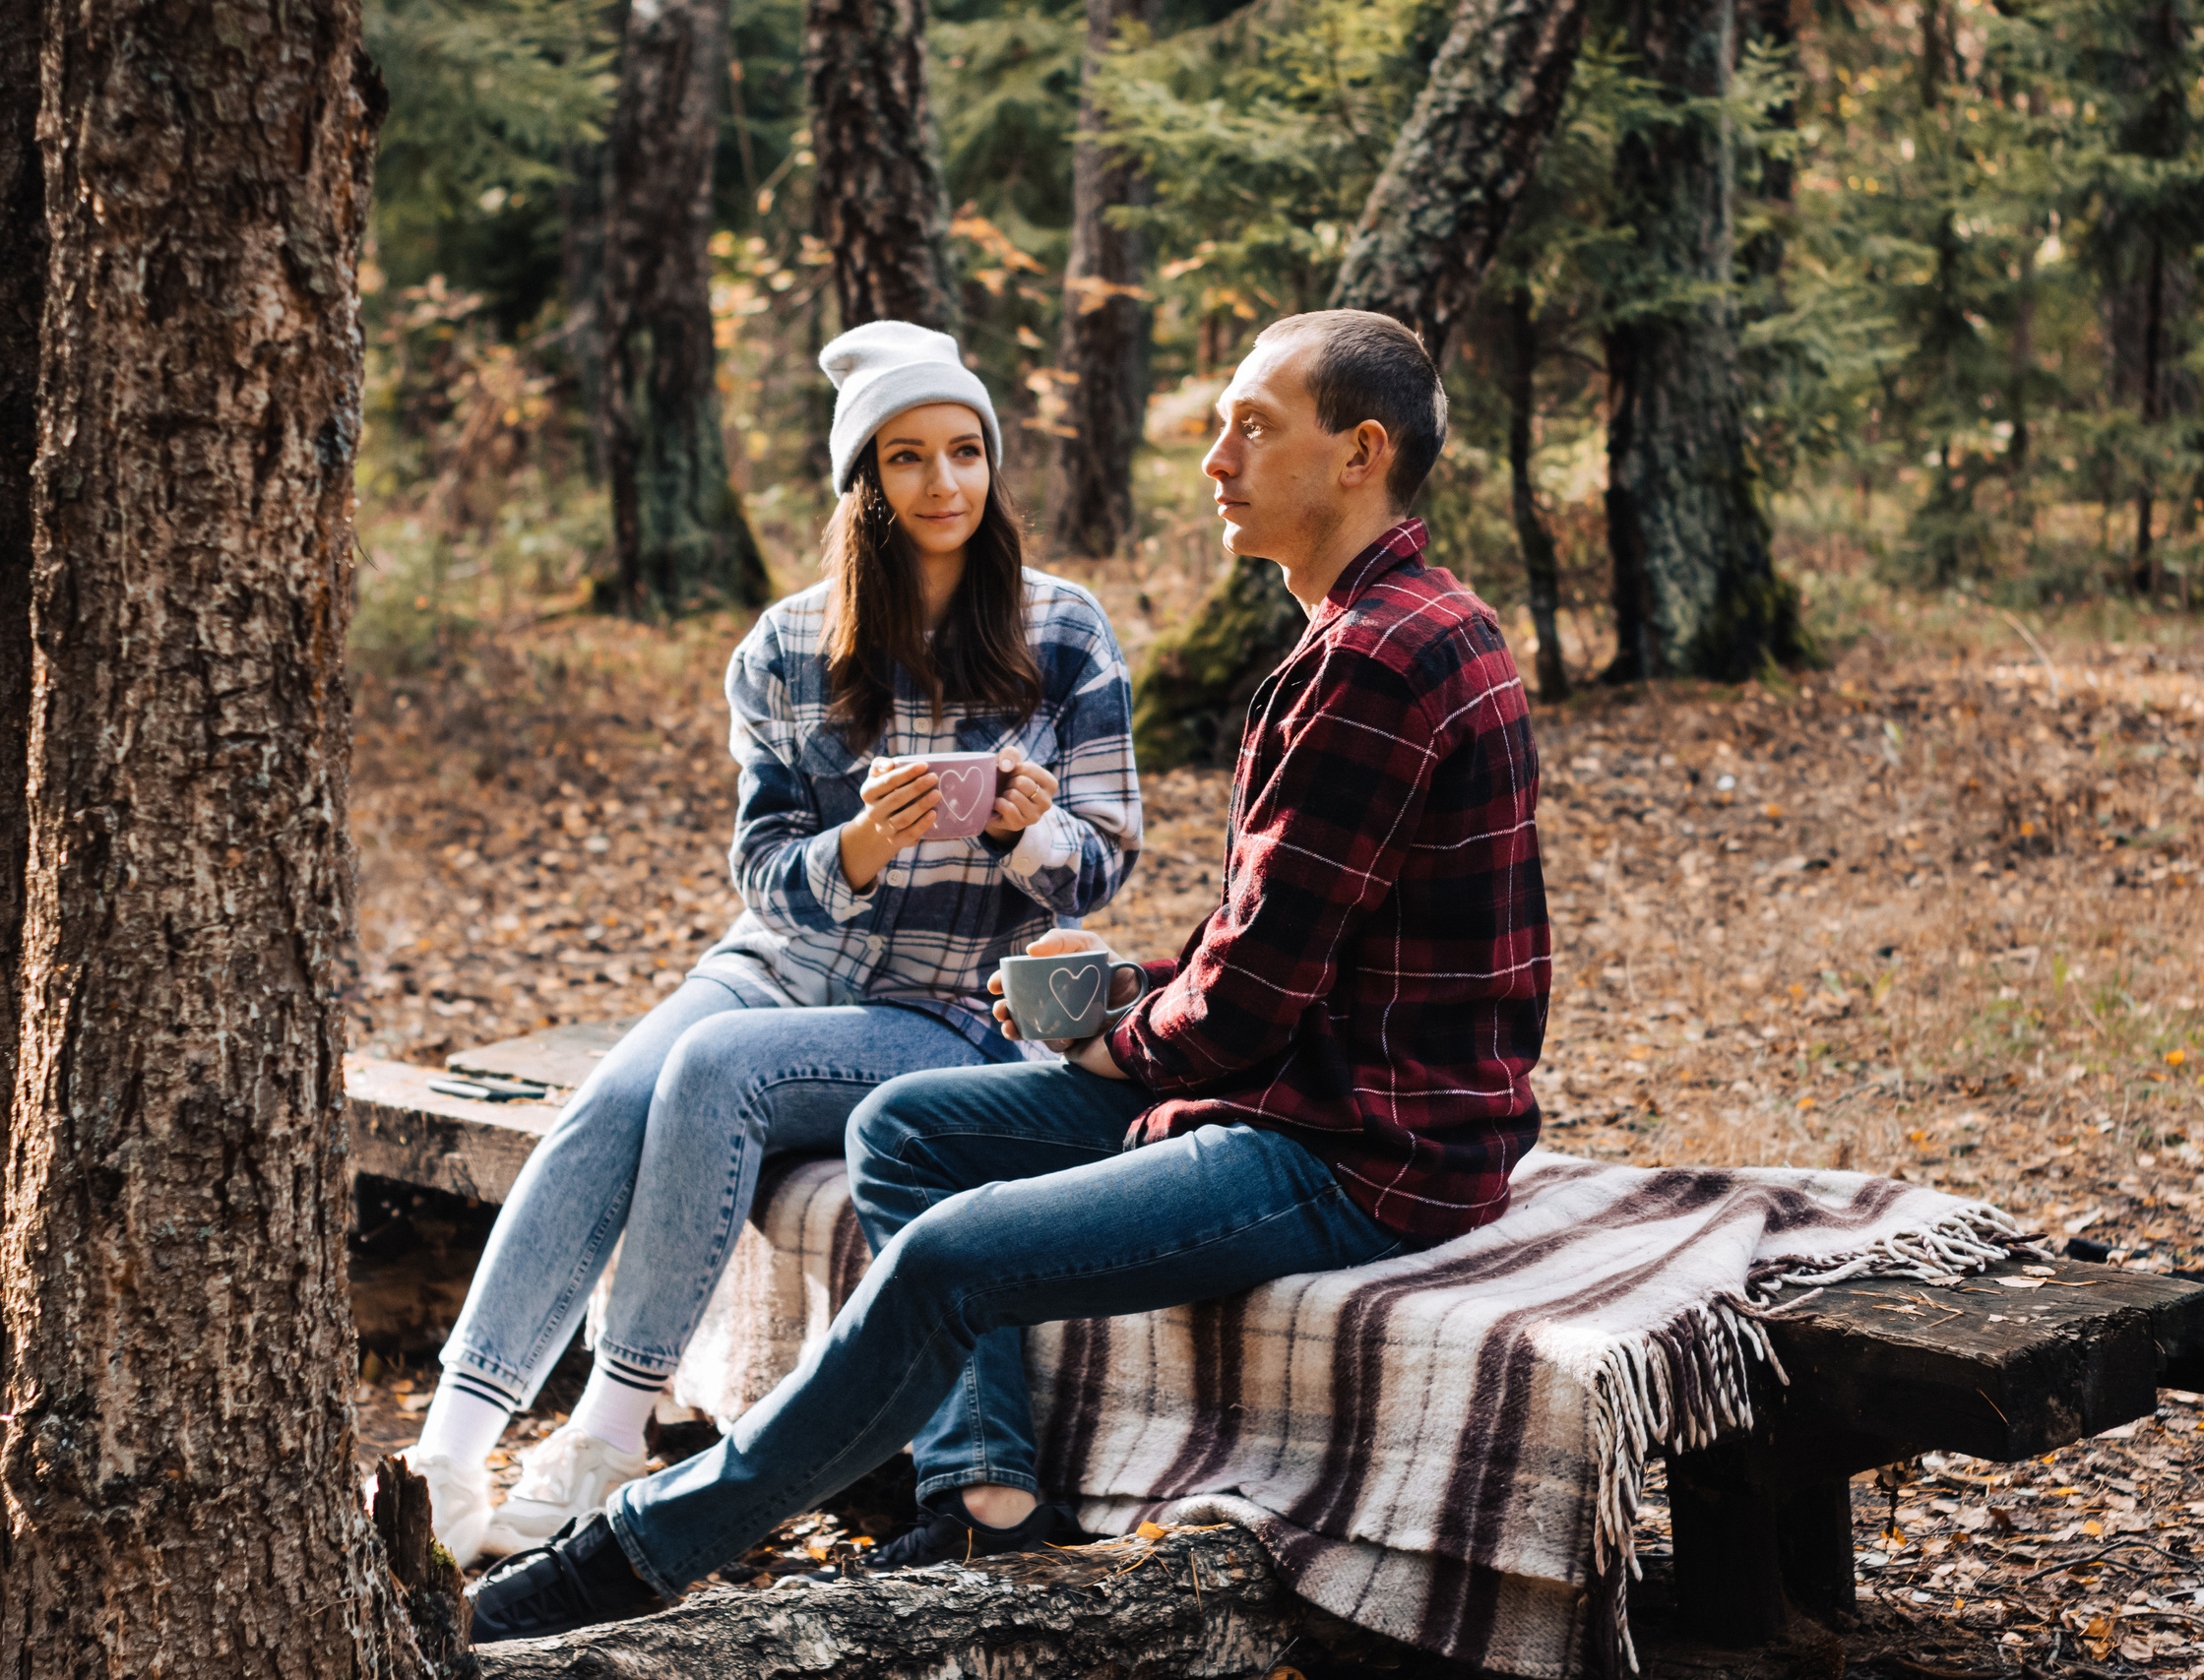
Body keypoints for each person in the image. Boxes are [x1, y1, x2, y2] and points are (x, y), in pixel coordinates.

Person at [464, 309, 1549, 1641]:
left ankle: (629, 1551)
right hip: (1307, 1075)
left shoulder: (1375, 659)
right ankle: (983, 1494)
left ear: (1361, 453)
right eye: (1218, 423)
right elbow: (1279, 945)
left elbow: (1254, 997)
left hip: (1358, 1143)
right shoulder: (1369, 633)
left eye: (1252, 426)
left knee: (948, 1259)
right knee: (908, 1124)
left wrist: (1112, 1038)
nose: (1214, 456)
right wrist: (1123, 990)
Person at [403, 321, 1141, 1564]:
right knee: (611, 1099)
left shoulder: (1062, 630)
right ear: (866, 482)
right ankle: (448, 1448)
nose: (945, 483)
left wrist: (1027, 835)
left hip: (949, 1008)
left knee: (714, 1071)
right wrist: (856, 848)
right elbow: (760, 868)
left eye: (966, 452)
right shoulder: (789, 645)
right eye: (908, 459)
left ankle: (606, 1433)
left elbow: (1109, 854)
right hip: (772, 966)